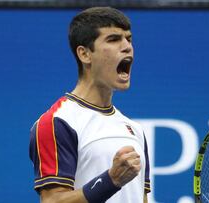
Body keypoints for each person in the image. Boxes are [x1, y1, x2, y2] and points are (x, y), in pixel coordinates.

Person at [29, 7, 151, 203]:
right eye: (113, 39)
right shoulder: (56, 122)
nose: (127, 46)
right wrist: (110, 180)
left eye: (128, 39)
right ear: (84, 54)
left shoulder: (134, 130)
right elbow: (52, 201)